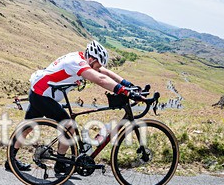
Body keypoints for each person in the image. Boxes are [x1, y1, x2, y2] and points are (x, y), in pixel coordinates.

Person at [8, 40, 143, 173]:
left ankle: (10, 161)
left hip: (39, 91)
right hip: (42, 95)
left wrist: (128, 85)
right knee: (69, 127)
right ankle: (60, 164)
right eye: (97, 65)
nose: (98, 68)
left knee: (26, 128)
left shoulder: (83, 59)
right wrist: (123, 91)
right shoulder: (76, 63)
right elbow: (100, 79)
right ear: (91, 59)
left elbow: (104, 72)